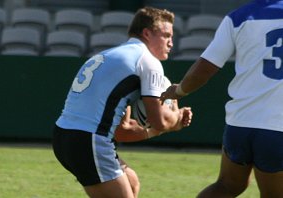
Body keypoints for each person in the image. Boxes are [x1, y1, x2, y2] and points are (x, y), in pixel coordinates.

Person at [52, 6, 192, 198]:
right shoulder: (148, 61)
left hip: (63, 137)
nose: (171, 43)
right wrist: (176, 116)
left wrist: (152, 129)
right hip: (89, 139)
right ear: (147, 33)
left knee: (131, 182)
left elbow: (122, 131)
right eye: (166, 35)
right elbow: (160, 121)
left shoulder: (111, 54)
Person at [161, 0, 283, 197]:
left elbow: (205, 68)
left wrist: (179, 91)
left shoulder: (238, 17)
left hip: (239, 123)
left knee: (227, 186)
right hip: (278, 127)